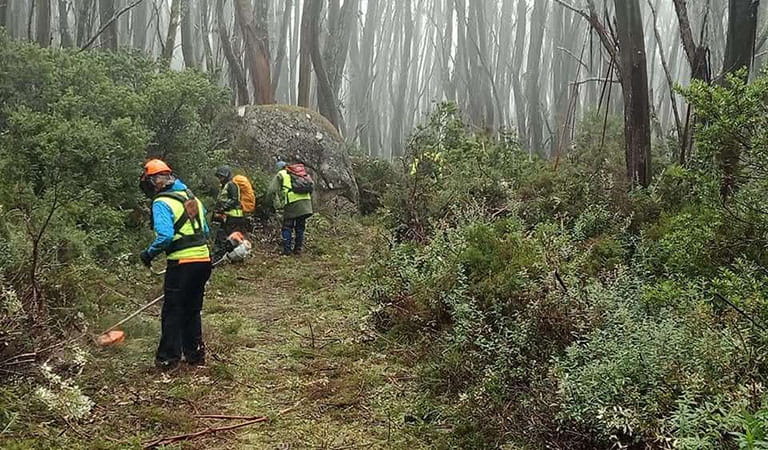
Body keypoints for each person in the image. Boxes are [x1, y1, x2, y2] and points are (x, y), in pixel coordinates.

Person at [139, 159, 212, 370]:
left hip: (182, 263)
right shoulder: (191, 198)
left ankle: (168, 359)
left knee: (173, 310)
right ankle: (195, 356)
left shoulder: (161, 202)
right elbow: (205, 230)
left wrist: (148, 254)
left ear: (154, 182)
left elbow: (165, 236)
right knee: (192, 309)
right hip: (203, 261)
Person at [266, 160, 313, 255]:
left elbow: (271, 190)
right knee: (300, 227)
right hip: (306, 203)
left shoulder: (281, 174)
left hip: (292, 203)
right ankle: (298, 249)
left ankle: (287, 250)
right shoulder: (300, 173)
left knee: (287, 227)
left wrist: (268, 203)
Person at [213, 165, 246, 261]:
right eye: (219, 177)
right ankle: (234, 258)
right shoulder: (226, 185)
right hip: (230, 216)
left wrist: (223, 208)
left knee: (226, 238)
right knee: (232, 238)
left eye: (221, 177)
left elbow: (234, 200)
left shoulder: (232, 185)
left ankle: (221, 257)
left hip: (233, 216)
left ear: (227, 176)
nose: (220, 179)